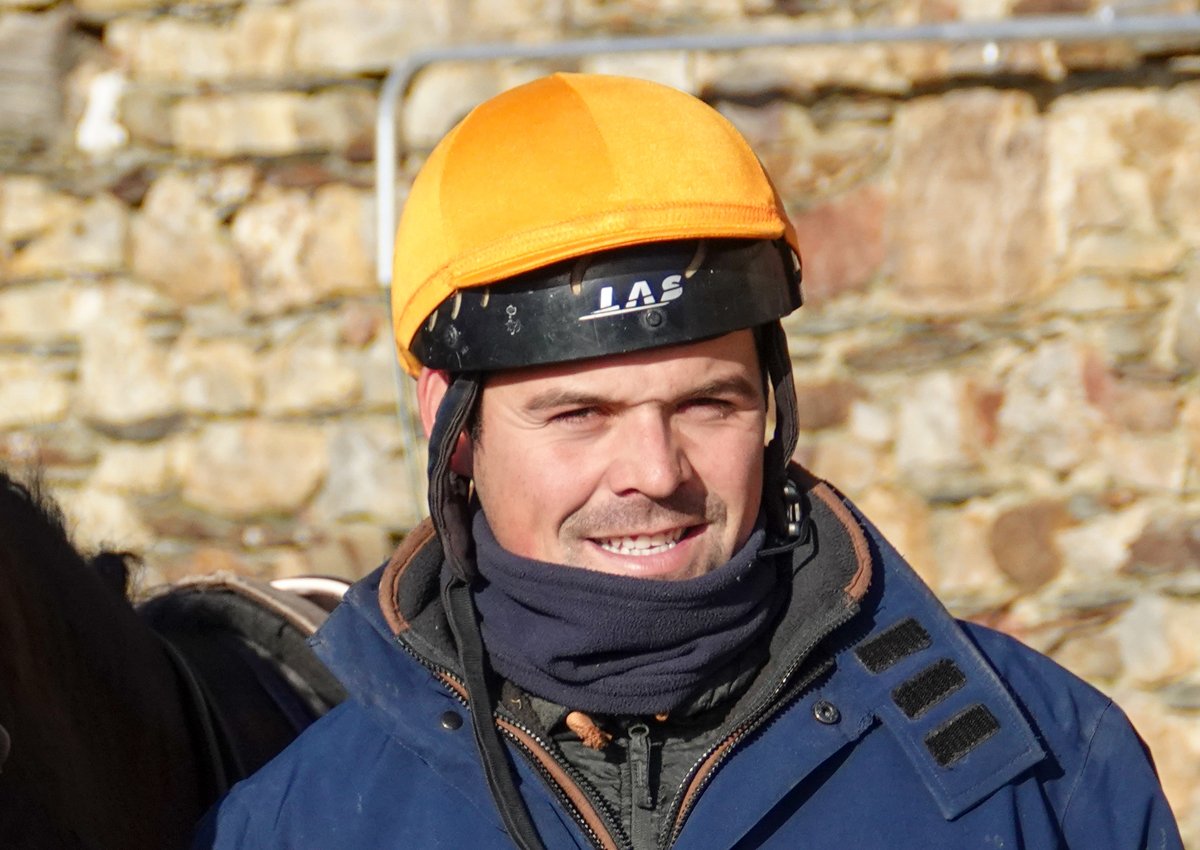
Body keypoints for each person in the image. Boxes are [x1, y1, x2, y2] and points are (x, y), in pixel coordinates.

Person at [194, 73, 1182, 849]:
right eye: (578, 414)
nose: (655, 472)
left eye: (708, 403)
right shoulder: (294, 825)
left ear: (770, 403)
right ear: (452, 427)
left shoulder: (1049, 771)